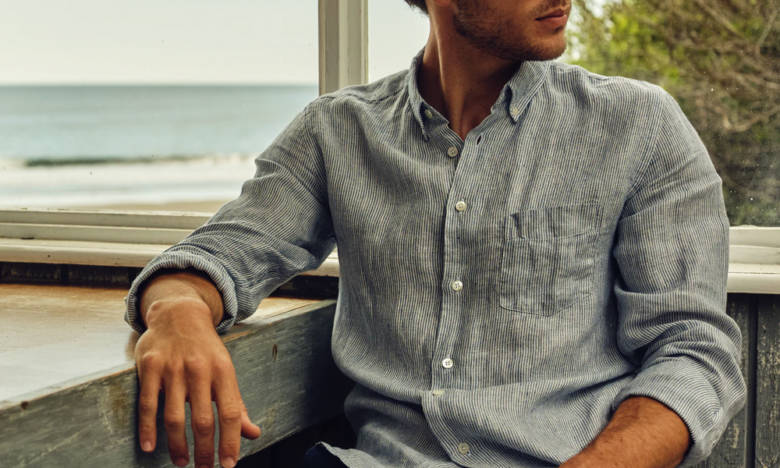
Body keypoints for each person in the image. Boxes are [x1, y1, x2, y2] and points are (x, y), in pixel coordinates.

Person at [125, 0, 746, 466]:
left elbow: (693, 353)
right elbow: (221, 253)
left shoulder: (639, 126)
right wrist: (178, 314)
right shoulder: (337, 132)